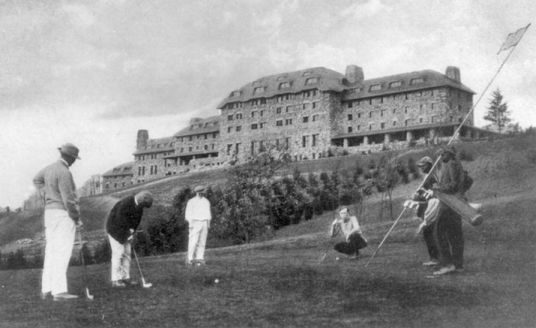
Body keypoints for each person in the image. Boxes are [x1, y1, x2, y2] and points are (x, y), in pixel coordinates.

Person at [33, 143, 84, 301]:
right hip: (62, 215)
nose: (74, 161)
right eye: (74, 158)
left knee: (51, 252)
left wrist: (47, 194)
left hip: (49, 213)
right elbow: (68, 200)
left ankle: (46, 289)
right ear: (69, 157)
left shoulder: (49, 168)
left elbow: (37, 180)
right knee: (62, 252)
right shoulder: (64, 172)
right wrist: (76, 218)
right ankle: (60, 292)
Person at [105, 191, 153, 287]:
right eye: (144, 205)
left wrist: (133, 231)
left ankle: (125, 278)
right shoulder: (126, 203)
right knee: (119, 253)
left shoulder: (139, 206)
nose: (143, 208)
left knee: (127, 253)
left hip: (125, 230)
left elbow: (136, 221)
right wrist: (128, 233)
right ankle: (116, 280)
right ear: (141, 201)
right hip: (114, 229)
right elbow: (120, 219)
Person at [431, 145, 466, 275]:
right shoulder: (456, 164)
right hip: (456, 204)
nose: (440, 158)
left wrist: (438, 188)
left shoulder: (451, 164)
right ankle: (458, 264)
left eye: (442, 155)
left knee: (438, 232)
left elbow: (453, 184)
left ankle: (448, 263)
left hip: (449, 204)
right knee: (455, 235)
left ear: (448, 154)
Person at [408, 156, 440, 267]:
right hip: (428, 206)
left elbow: (434, 192)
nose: (421, 168)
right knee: (428, 232)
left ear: (429, 165)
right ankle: (435, 257)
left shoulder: (432, 176)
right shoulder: (428, 176)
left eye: (423, 166)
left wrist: (421, 194)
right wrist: (417, 195)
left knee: (428, 231)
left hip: (433, 206)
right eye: (420, 166)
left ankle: (435, 258)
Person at [185, 185, 212, 266]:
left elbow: (208, 213)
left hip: (204, 222)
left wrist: (208, 223)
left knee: (202, 242)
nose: (201, 194)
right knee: (193, 242)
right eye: (199, 193)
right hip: (195, 223)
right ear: (196, 192)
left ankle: (199, 258)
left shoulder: (206, 201)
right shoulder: (191, 201)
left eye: (202, 193)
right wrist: (190, 224)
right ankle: (189, 259)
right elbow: (188, 214)